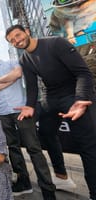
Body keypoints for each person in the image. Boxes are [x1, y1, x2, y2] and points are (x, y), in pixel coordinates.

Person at [5, 24, 96, 200]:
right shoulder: (25, 59)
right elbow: (32, 87)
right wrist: (30, 105)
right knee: (46, 133)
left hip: (74, 93)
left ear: (27, 32)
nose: (17, 40)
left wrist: (80, 100)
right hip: (51, 97)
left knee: (87, 145)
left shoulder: (56, 43)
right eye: (12, 40)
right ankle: (62, 176)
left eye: (18, 35)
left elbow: (83, 73)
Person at [0, 46, 56, 199]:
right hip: (3, 113)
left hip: (21, 109)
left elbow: (18, 73)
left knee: (34, 148)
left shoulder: (12, 62)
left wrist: (0, 80)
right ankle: (24, 183)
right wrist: (9, 80)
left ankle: (48, 190)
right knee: (13, 148)